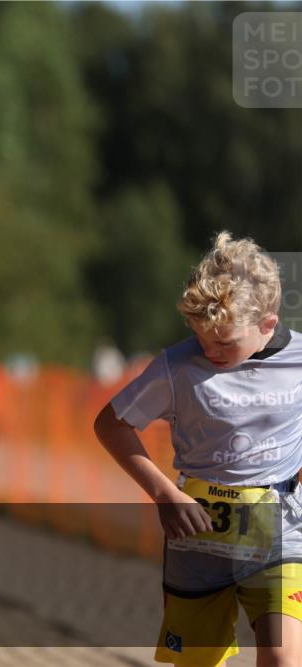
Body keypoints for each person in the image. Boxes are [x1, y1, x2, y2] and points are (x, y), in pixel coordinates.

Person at [94, 232, 302, 666]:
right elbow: (111, 424)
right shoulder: (178, 365)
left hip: (280, 534)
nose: (210, 351)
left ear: (267, 322)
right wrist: (165, 495)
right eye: (201, 337)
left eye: (224, 342)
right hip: (199, 535)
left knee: (283, 658)